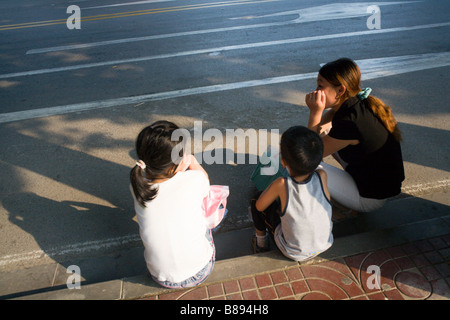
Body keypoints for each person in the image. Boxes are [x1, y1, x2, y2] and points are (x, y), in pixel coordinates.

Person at [305, 58, 405, 214]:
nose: (316, 91)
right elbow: (321, 129)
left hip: (368, 198)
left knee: (303, 167)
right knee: (324, 134)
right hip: (375, 182)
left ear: (340, 90)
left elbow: (306, 155)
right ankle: (330, 192)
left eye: (320, 85)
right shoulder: (357, 103)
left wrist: (315, 113)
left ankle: (334, 210)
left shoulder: (350, 122)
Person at [129, 120, 215, 289]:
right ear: (177, 162)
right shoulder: (193, 180)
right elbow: (206, 183)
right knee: (206, 221)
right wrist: (192, 161)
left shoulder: (136, 184)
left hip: (160, 276)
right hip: (200, 271)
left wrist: (175, 170)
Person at [250, 126, 333, 261]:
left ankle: (260, 244)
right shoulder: (322, 175)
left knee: (255, 200)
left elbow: (259, 207)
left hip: (293, 251)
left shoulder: (282, 183)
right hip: (324, 244)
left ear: (282, 161)